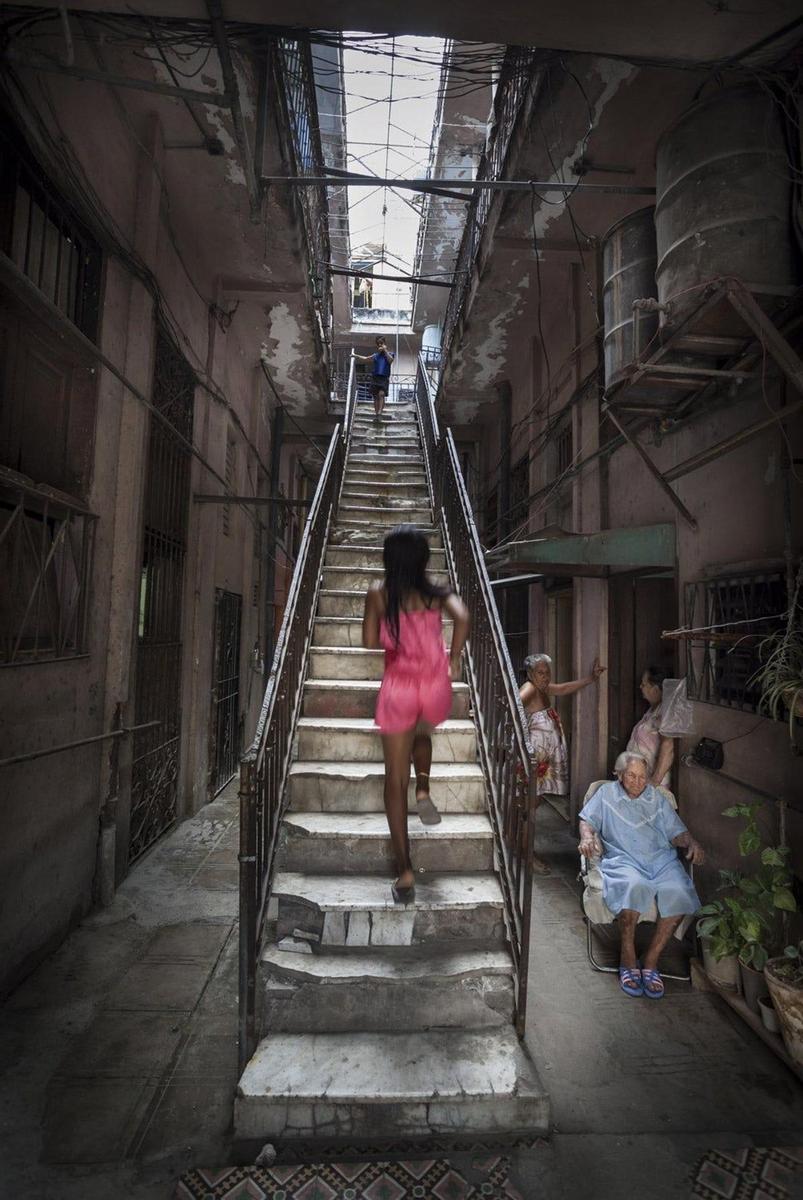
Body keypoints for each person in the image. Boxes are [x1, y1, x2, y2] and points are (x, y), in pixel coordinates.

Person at [362, 524, 470, 904]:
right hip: (435, 686)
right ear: (423, 559)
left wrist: (393, 636)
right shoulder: (438, 592)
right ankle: (423, 786)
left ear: (389, 559)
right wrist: (453, 658)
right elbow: (464, 617)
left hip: (400, 686)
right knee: (423, 732)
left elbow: (368, 641)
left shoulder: (379, 592)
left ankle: (405, 871)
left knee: (394, 780)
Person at [578, 750, 705, 999]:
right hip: (624, 859)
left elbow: (676, 832)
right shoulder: (606, 794)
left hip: (660, 860)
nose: (638, 782)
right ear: (619, 775)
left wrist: (691, 842)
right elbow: (587, 821)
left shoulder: (656, 797)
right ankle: (627, 958)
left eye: (642, 777)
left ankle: (650, 960)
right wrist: (586, 837)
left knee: (679, 891)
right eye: (631, 776)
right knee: (634, 887)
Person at [519, 653, 605, 800]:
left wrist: (591, 678)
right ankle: (522, 815)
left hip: (543, 754)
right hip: (536, 755)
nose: (545, 677)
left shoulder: (542, 688)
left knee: (535, 795)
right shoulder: (530, 688)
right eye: (540, 673)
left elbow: (563, 688)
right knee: (529, 794)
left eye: (547, 673)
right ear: (530, 674)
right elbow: (513, 704)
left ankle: (525, 815)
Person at [627, 665, 676, 787]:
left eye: (644, 684)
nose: (640, 687)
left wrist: (654, 782)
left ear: (656, 689)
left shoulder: (664, 712)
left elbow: (668, 746)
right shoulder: (651, 711)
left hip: (651, 782)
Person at [354, 336, 395, 418]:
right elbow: (366, 359)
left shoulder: (390, 354)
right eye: (378, 343)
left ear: (384, 343)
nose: (379, 345)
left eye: (381, 343)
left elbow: (390, 360)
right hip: (375, 377)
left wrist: (385, 350)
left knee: (381, 394)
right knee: (375, 396)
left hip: (384, 378)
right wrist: (355, 355)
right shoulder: (376, 355)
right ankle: (377, 415)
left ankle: (380, 413)